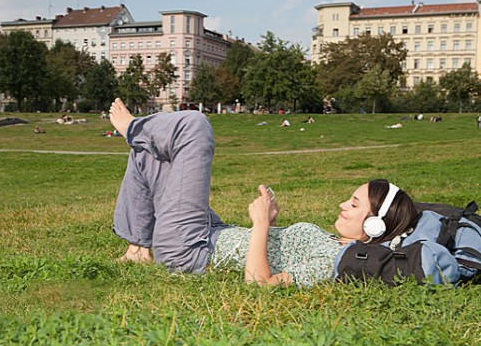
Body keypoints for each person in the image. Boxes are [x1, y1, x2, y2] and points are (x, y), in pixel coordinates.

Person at [109, 98, 417, 286]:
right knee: (154, 151)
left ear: (373, 225)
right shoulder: (334, 242)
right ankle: (137, 248)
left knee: (193, 124)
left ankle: (133, 128)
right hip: (209, 231)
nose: (342, 204)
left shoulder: (336, 260)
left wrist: (262, 224)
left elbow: (261, 284)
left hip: (191, 250)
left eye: (353, 204)